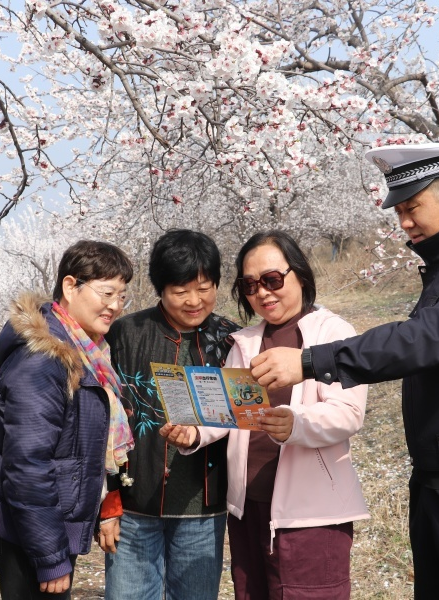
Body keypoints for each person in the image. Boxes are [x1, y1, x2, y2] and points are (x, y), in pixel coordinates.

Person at [250, 143, 439, 600]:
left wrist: (312, 361)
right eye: (399, 211)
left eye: (413, 207)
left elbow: (425, 339)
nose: (405, 222)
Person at [162, 230, 369, 600]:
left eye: (273, 280)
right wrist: (194, 434)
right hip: (248, 509)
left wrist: (296, 424)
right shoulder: (245, 342)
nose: (263, 293)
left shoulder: (333, 333)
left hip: (310, 516)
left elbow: (348, 414)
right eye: (250, 285)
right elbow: (228, 410)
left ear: (300, 275)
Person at [0, 240, 135, 599]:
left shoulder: (86, 351)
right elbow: (27, 466)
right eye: (107, 293)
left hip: (45, 525)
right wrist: (50, 556)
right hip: (28, 534)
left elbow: (80, 447)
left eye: (122, 296)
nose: (115, 305)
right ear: (70, 286)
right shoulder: (44, 361)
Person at [98, 230, 239, 600]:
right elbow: (103, 420)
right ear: (161, 289)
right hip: (135, 505)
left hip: (203, 508)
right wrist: (108, 500)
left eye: (204, 288)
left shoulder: (231, 341)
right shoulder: (124, 334)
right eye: (181, 291)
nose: (194, 301)